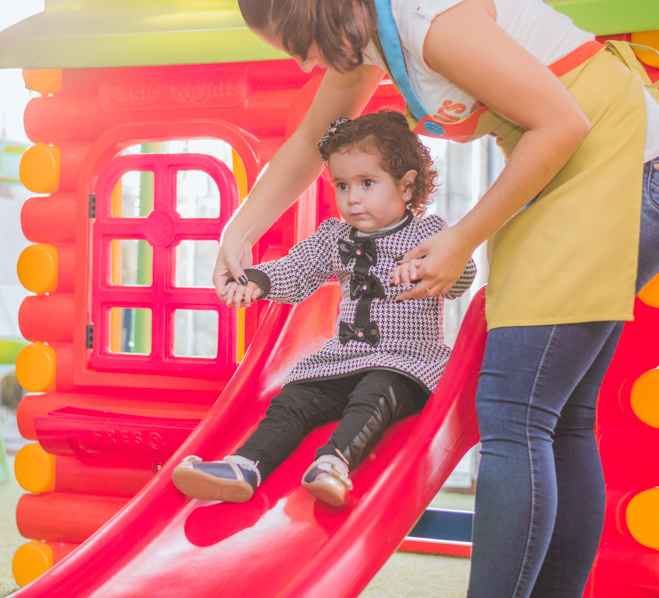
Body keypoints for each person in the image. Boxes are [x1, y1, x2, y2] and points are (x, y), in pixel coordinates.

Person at [213, 0, 659, 596]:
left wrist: (461, 240)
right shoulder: (367, 37)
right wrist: (237, 232)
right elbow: (310, 139)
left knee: (515, 413)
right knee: (561, 420)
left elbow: (564, 123)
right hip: (598, 166)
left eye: (300, 43)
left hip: (613, 165)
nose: (301, 63)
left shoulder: (429, 20)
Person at [173, 111, 476, 508]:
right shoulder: (336, 237)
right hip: (344, 358)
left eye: (368, 183)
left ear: (406, 187)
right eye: (342, 184)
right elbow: (297, 270)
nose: (352, 198)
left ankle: (333, 464)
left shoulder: (428, 233)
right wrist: (257, 281)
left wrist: (425, 267)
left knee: (375, 392)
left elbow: (463, 275)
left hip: (405, 361)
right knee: (295, 397)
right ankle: (244, 466)